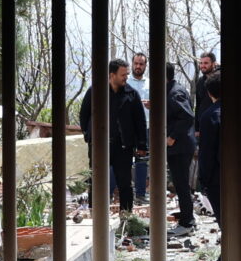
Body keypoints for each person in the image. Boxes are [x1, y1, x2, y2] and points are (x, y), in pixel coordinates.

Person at [77, 59, 147, 231]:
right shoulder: (96, 91)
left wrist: (141, 144)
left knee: (125, 184)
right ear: (112, 75)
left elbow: (139, 120)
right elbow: (84, 114)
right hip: (99, 146)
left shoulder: (131, 94)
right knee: (96, 182)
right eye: (123, 75)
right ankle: (95, 220)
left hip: (123, 147)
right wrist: (88, 135)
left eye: (127, 74)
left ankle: (126, 220)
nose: (126, 77)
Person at [153, 70, 197, 232]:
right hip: (178, 146)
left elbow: (187, 116)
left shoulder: (174, 92)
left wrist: (172, 136)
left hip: (180, 146)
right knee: (180, 184)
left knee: (181, 184)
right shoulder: (171, 90)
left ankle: (187, 221)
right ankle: (187, 217)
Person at [192, 51, 220, 220]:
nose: (203, 66)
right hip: (204, 125)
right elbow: (198, 104)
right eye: (201, 63)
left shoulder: (219, 79)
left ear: (213, 64)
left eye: (206, 63)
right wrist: (197, 127)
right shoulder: (201, 82)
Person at [126, 53, 153, 204]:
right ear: (132, 64)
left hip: (145, 128)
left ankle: (140, 194)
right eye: (136, 63)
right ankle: (121, 194)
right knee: (123, 161)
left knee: (142, 162)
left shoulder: (150, 83)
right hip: (127, 128)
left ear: (145, 66)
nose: (138, 66)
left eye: (141, 64)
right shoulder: (125, 81)